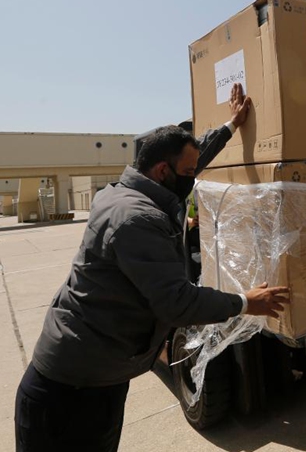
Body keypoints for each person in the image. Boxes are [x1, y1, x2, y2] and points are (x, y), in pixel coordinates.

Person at [15, 84, 291, 451]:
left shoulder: (135, 188)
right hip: (71, 394)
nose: (194, 178)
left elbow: (194, 158)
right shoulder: (135, 218)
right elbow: (176, 303)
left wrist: (231, 126)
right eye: (189, 173)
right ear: (162, 171)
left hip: (99, 376)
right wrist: (245, 302)